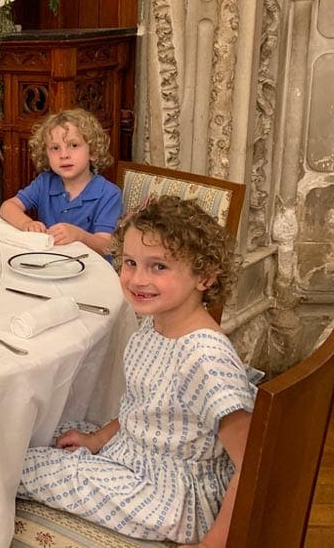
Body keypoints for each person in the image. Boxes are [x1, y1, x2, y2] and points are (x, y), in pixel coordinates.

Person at [17, 196, 257, 547]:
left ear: (204, 276)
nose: (136, 279)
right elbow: (140, 406)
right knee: (34, 433)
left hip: (167, 496)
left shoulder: (205, 357)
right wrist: (98, 438)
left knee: (13, 466)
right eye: (129, 262)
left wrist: (214, 542)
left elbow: (251, 459)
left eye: (158, 266)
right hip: (134, 453)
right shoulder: (155, 324)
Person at [0, 108, 122, 256]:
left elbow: (106, 246)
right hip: (51, 263)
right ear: (46, 154)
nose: (64, 155)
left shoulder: (109, 194)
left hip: (90, 270)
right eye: (55, 148)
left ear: (93, 152)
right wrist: (26, 223)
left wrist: (80, 236)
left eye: (74, 145)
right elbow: (7, 207)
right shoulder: (45, 182)